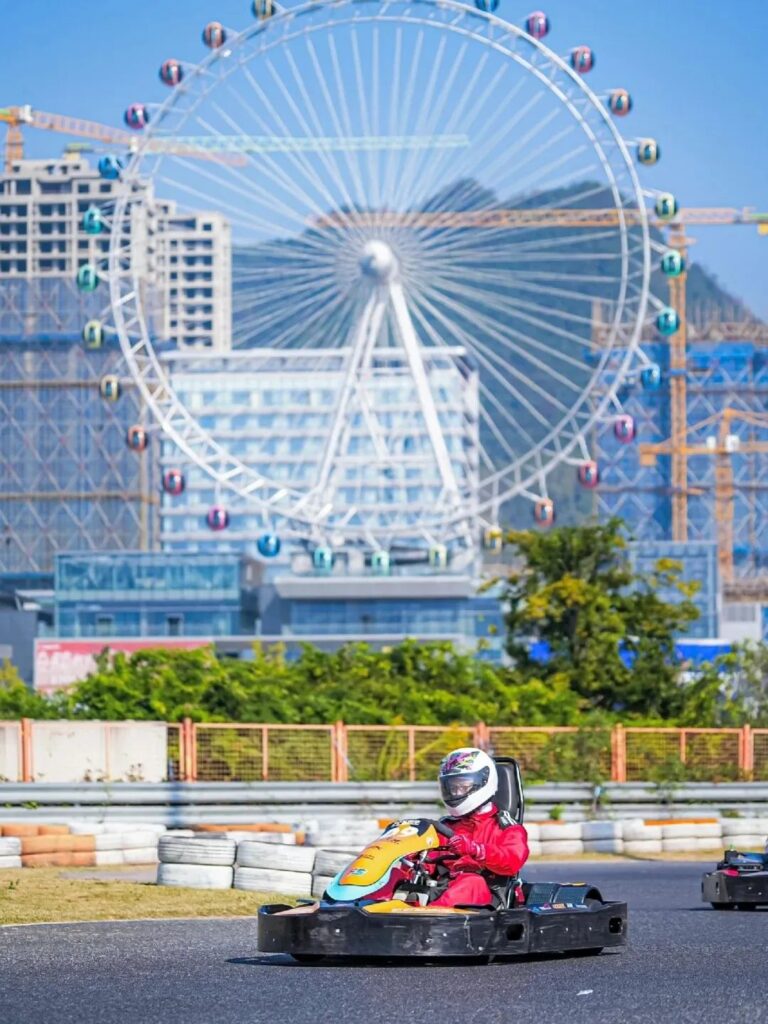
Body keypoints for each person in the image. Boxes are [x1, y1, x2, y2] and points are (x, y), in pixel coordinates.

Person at [430, 747, 529, 908]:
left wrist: (476, 850)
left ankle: (428, 920)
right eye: (452, 787)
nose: (456, 792)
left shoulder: (507, 828)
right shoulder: (445, 826)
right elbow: (428, 862)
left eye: (462, 786)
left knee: (470, 882)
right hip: (444, 887)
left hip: (487, 896)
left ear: (483, 782)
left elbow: (512, 861)